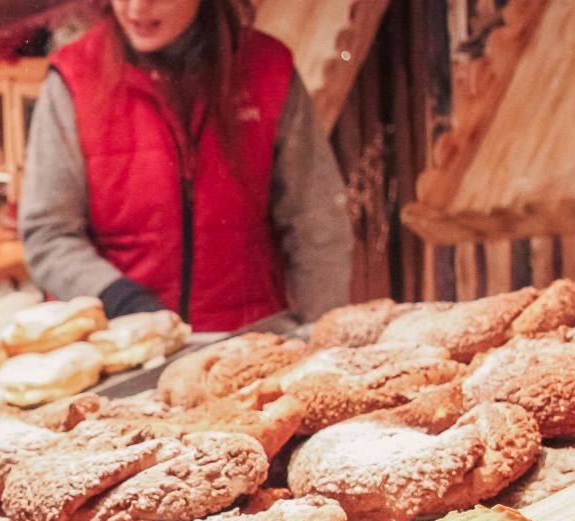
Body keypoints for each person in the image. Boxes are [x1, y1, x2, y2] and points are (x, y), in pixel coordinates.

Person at [19, 0, 354, 332]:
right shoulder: (73, 78)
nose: (136, 9)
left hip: (245, 348)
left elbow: (317, 224)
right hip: (123, 350)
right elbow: (48, 234)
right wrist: (120, 300)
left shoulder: (267, 68)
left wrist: (320, 333)